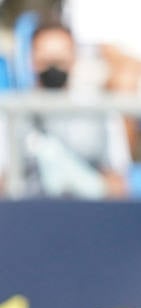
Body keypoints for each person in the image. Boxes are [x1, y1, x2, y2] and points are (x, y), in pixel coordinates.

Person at [0, 19, 130, 199]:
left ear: (74, 57)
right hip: (28, 216)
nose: (53, 66)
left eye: (60, 57)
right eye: (45, 57)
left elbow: (118, 184)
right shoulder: (12, 112)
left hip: (87, 216)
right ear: (31, 58)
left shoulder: (99, 109)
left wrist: (87, 184)